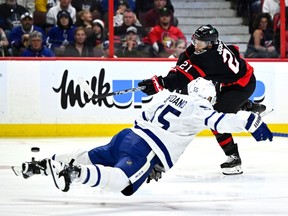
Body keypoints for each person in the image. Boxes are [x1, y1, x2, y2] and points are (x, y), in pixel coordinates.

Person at [15, 78, 273, 195]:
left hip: (126, 137)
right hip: (144, 150)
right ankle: (74, 174)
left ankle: (39, 164)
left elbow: (149, 119)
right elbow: (219, 120)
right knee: (123, 183)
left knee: (91, 156)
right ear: (207, 97)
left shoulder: (170, 96)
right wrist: (252, 122)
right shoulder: (200, 107)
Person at [137, 24, 267, 175]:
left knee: (215, 121)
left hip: (242, 86)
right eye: (195, 40)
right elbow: (184, 61)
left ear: (210, 44)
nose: (196, 45)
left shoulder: (209, 58)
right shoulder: (205, 48)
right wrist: (168, 77)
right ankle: (247, 106)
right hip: (229, 80)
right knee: (220, 107)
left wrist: (159, 83)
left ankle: (234, 158)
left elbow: (180, 79)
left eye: (201, 42)